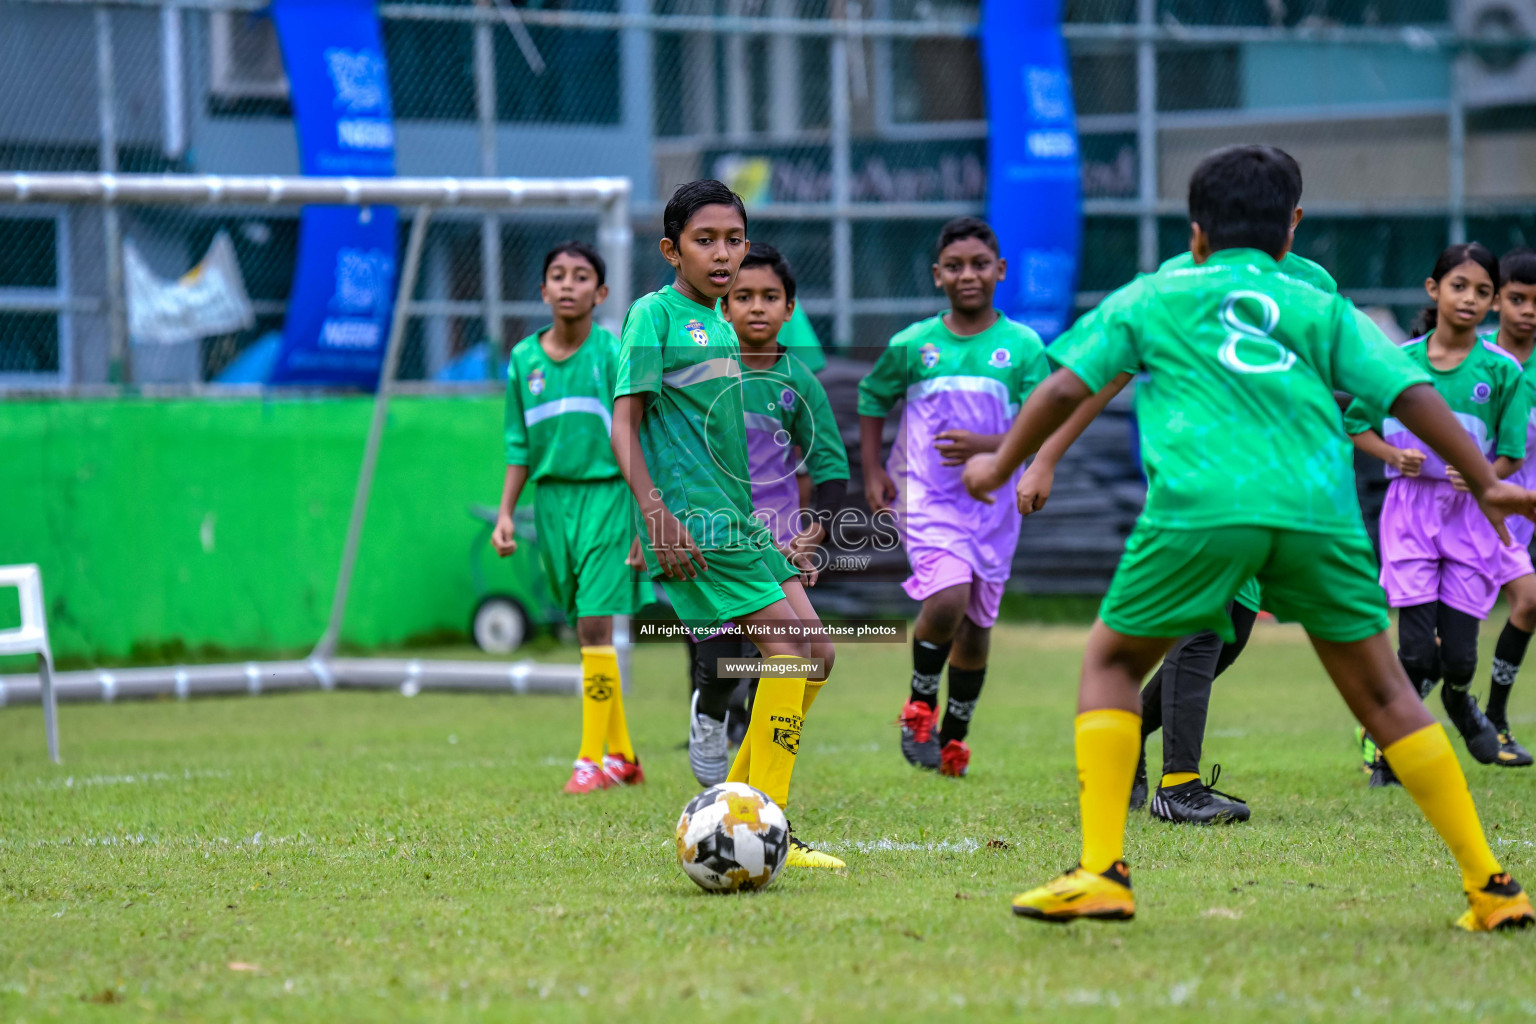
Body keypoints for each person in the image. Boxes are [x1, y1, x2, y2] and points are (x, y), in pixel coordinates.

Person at [963, 144, 1536, 931]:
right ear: (1290, 228)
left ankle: (1102, 870)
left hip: (1201, 507)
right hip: (1315, 512)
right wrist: (1487, 477)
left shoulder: (1157, 292)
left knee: (1110, 660)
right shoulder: (1318, 302)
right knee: (1384, 695)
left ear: (1195, 232)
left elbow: (1068, 382)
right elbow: (1405, 391)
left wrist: (1002, 461)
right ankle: (1492, 887)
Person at [1016, 241, 1351, 824]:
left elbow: (1322, 377)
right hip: (1196, 485)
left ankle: (1122, 742)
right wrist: (1044, 456)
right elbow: (1102, 375)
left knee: (1229, 640)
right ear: (1202, 229)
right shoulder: (1176, 282)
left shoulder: (1311, 282)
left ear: (1292, 220)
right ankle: (1180, 785)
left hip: (1273, 490)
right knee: (1199, 629)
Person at [610, 179, 843, 869]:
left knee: (818, 659)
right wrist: (654, 518)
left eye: (733, 240)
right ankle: (769, 831)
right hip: (698, 527)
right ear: (669, 249)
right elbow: (624, 424)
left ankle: (740, 810)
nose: (722, 254)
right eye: (704, 240)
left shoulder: (719, 322)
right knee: (790, 657)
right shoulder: (653, 316)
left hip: (740, 526)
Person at [858, 217, 1049, 778]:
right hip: (928, 500)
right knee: (947, 598)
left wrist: (990, 446)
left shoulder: (1022, 346)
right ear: (937, 275)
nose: (969, 275)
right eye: (956, 266)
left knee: (975, 626)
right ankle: (919, 705)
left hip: (995, 508)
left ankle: (954, 737)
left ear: (1000, 271)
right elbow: (873, 397)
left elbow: (1044, 422)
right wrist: (873, 468)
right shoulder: (914, 344)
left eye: (980, 265)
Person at [1344, 243, 1528, 781]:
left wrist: (1481, 474)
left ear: (1492, 303)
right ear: (1433, 290)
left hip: (1472, 517)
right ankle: (1390, 747)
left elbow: (1512, 454)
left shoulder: (1502, 371)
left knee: (1460, 662)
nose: (1469, 299)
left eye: (1482, 291)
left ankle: (1459, 701)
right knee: (1418, 652)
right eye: (1458, 286)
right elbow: (1357, 423)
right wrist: (1392, 454)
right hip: (1411, 515)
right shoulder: (1398, 365)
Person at [685, 243, 849, 788]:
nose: (756, 307)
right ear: (723, 309)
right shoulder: (702, 373)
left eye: (770, 297)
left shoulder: (798, 383)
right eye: (743, 296)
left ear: (790, 308)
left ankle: (749, 795)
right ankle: (710, 716)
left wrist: (811, 533)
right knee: (722, 655)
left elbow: (828, 466)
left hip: (775, 538)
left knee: (803, 658)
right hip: (713, 532)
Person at [491, 241, 648, 795]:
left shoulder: (611, 354)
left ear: (600, 293)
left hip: (607, 497)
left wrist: (641, 516)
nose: (567, 284)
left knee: (594, 624)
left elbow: (634, 435)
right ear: (542, 290)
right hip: (552, 503)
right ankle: (624, 756)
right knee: (584, 628)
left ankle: (589, 761)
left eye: (581, 276)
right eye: (557, 275)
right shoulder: (522, 361)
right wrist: (506, 512)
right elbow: (518, 443)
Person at [1484, 248, 1536, 767]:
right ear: (1497, 300)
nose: (1528, 312)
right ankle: (1378, 733)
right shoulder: (1472, 357)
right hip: (1467, 518)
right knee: (1437, 648)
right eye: (1517, 299)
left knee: (1529, 602)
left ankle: (1495, 720)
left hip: (1520, 519)